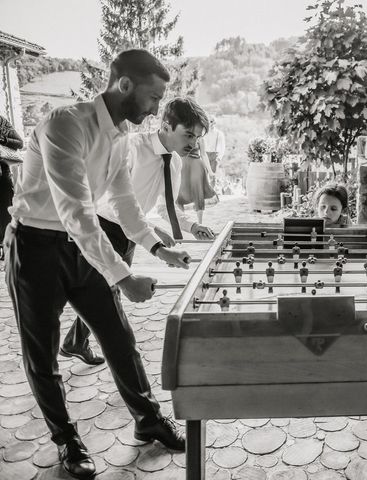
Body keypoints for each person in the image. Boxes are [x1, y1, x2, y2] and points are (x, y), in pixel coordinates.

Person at [5, 49, 192, 479]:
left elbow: (124, 204)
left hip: (77, 246)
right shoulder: (64, 124)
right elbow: (77, 211)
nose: (156, 108)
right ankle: (66, 439)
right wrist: (123, 276)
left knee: (117, 333)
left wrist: (157, 250)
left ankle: (147, 419)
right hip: (33, 245)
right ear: (124, 85)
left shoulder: (121, 137)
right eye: (153, 97)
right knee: (42, 354)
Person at [59, 97, 216, 366]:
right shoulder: (132, 148)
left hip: (131, 233)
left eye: (198, 137)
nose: (193, 143)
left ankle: (75, 342)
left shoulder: (175, 163)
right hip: (104, 227)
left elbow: (168, 207)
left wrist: (192, 226)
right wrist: (152, 232)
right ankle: (127, 360)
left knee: (108, 290)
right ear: (167, 126)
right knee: (108, 293)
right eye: (188, 134)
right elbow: (112, 202)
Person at [0, 114, 23, 262]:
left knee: (4, 212)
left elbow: (19, 143)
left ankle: (6, 246)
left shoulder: (0, 121)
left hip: (2, 176)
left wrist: (3, 139)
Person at [176, 136, 215, 224]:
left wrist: (210, 171)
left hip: (196, 165)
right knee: (179, 194)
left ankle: (200, 223)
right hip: (182, 165)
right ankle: (183, 222)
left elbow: (203, 154)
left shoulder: (200, 138)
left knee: (198, 191)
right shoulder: (180, 133)